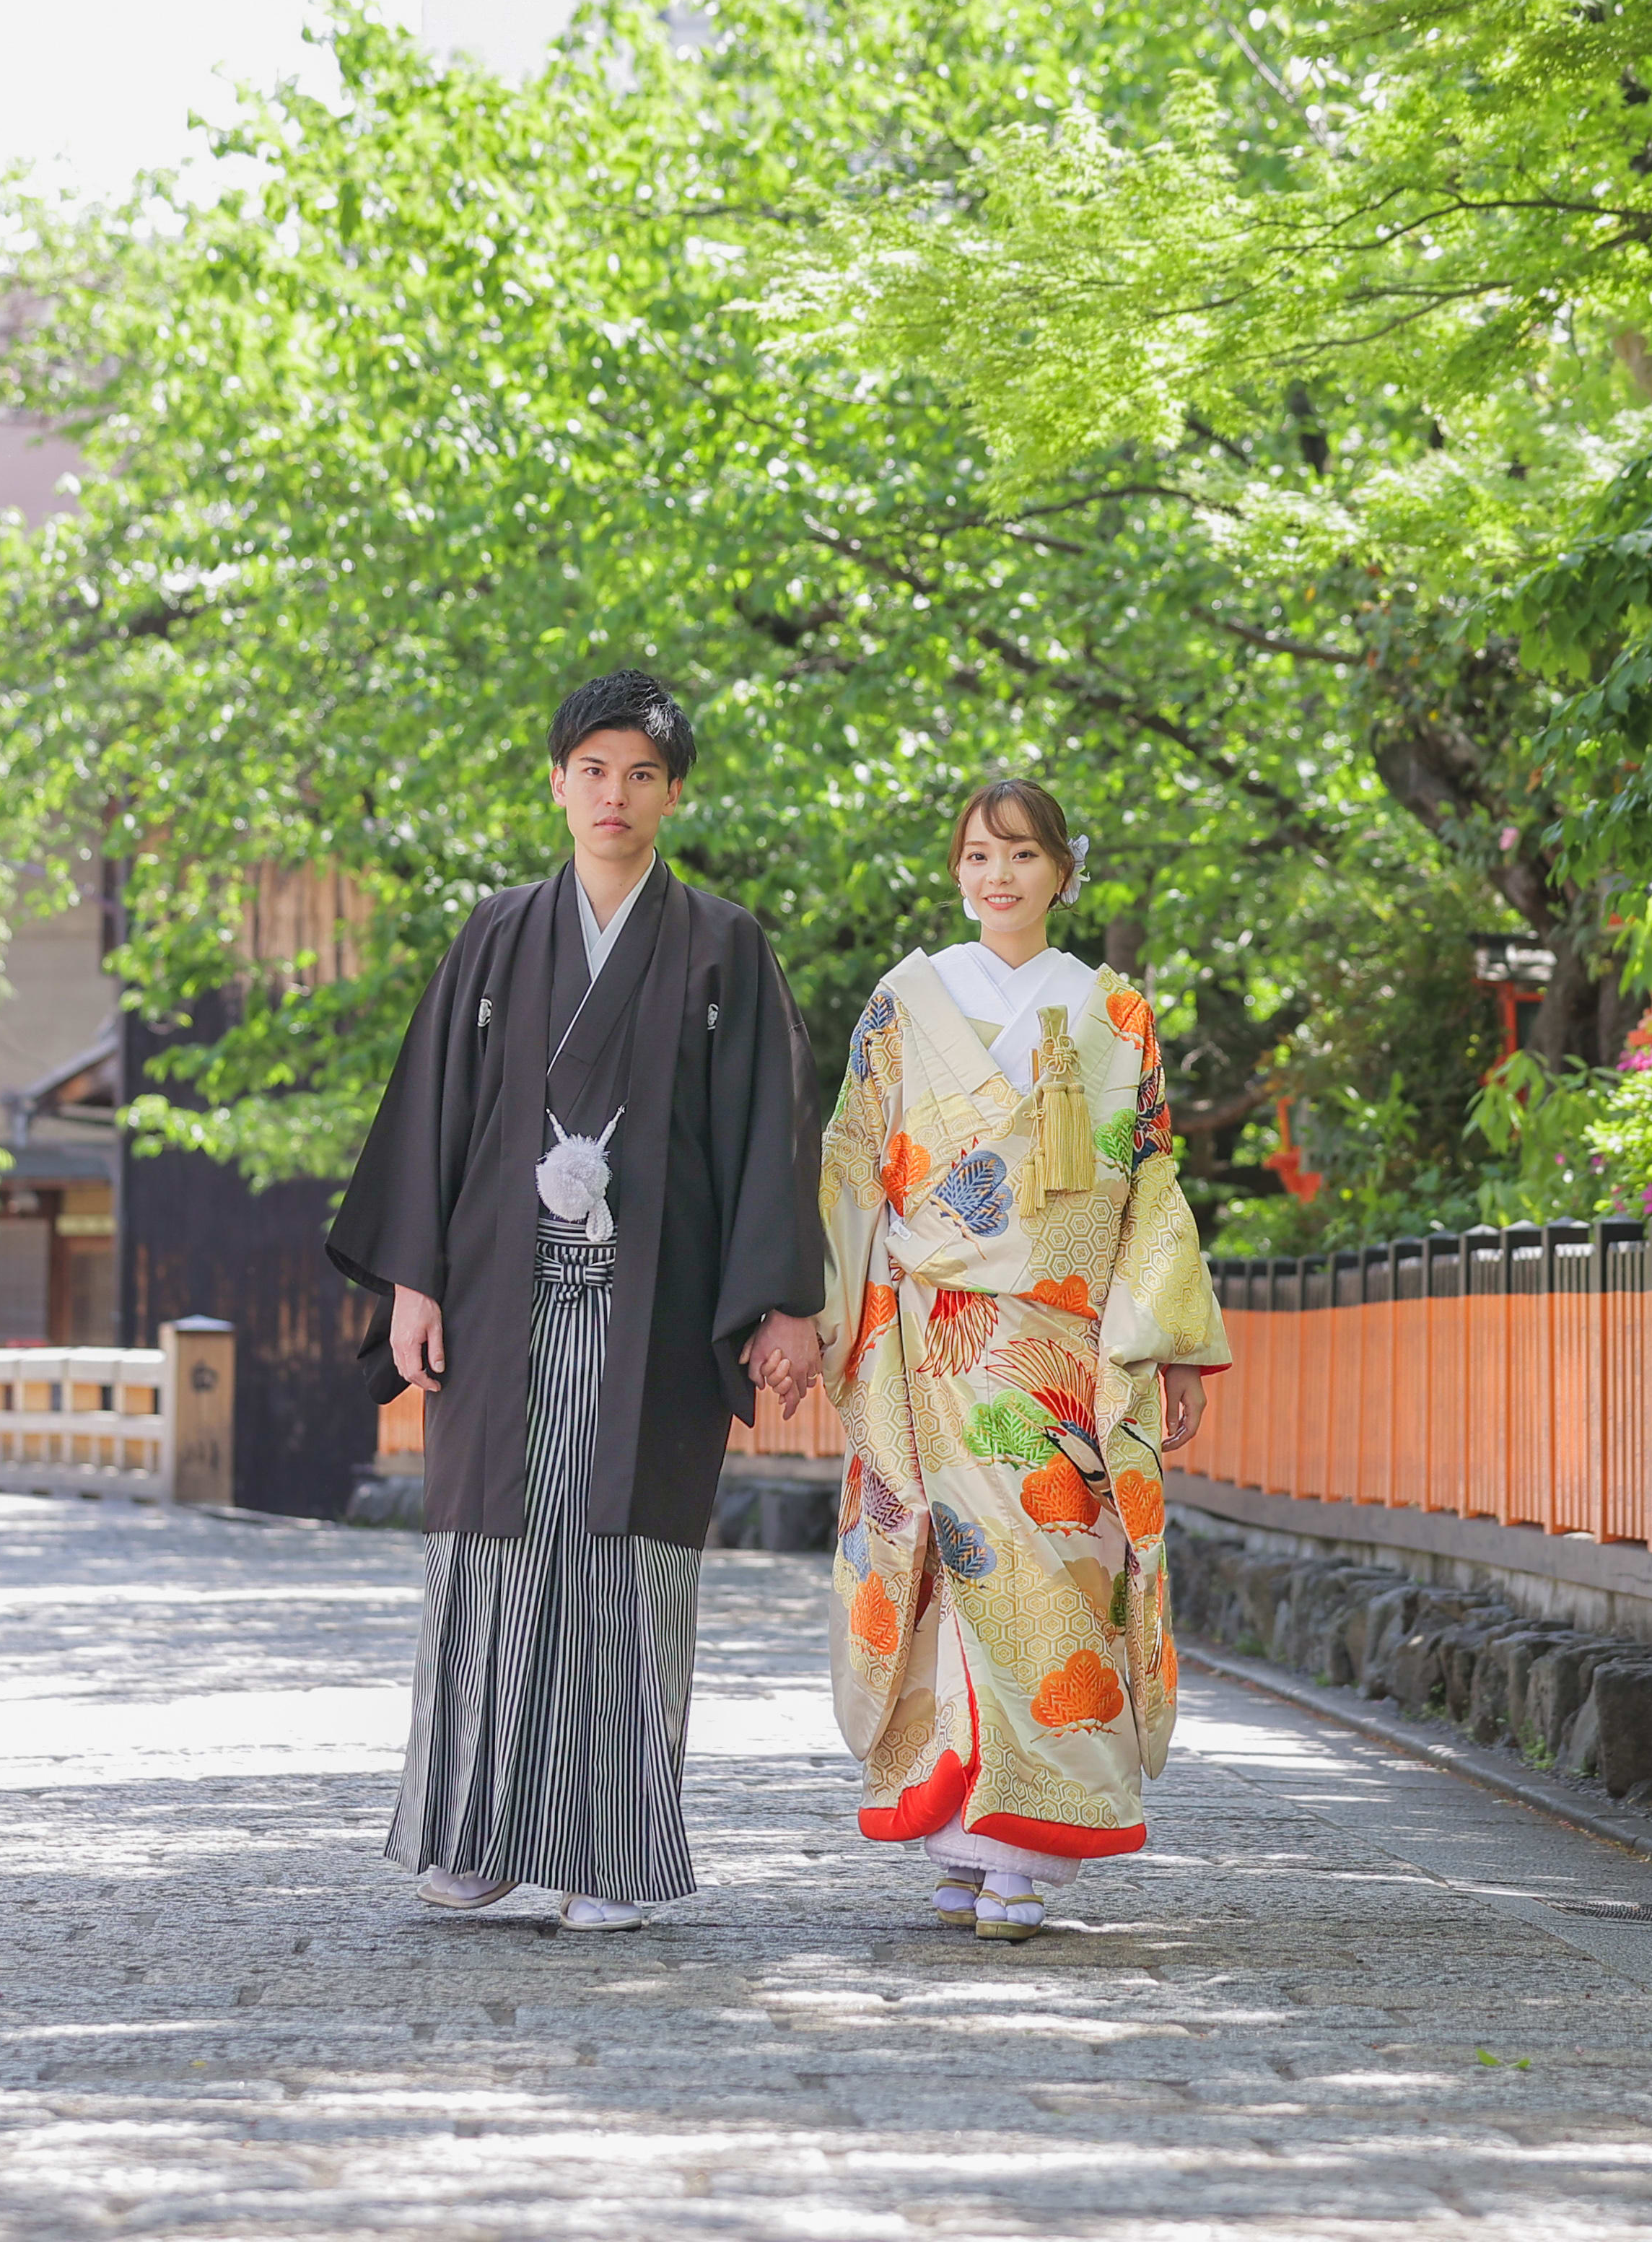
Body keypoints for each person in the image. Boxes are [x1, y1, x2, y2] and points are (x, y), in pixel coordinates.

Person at [325, 670, 826, 1932]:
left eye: (642, 776)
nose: (615, 796)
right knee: (492, 1556)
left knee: (623, 1565)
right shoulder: (497, 935)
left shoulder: (724, 947)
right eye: (593, 771)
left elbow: (771, 1134)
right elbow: (434, 1118)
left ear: (673, 796)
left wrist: (780, 1301)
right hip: (500, 1297)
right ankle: (478, 1835)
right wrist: (414, 1283)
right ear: (558, 783)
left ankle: (608, 1855)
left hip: (655, 1310)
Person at [792, 777, 1229, 1942]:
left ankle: (1023, 1845)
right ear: (957, 871)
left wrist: (1172, 1347)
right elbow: (850, 1162)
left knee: (1050, 1572)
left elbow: (1150, 1182)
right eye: (980, 855)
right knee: (940, 1570)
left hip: (1062, 1352)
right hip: (930, 1341)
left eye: (1024, 855)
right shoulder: (905, 1001)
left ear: (1062, 873)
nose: (1000, 876)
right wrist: (817, 1317)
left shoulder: (1113, 1010)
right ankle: (961, 1834)